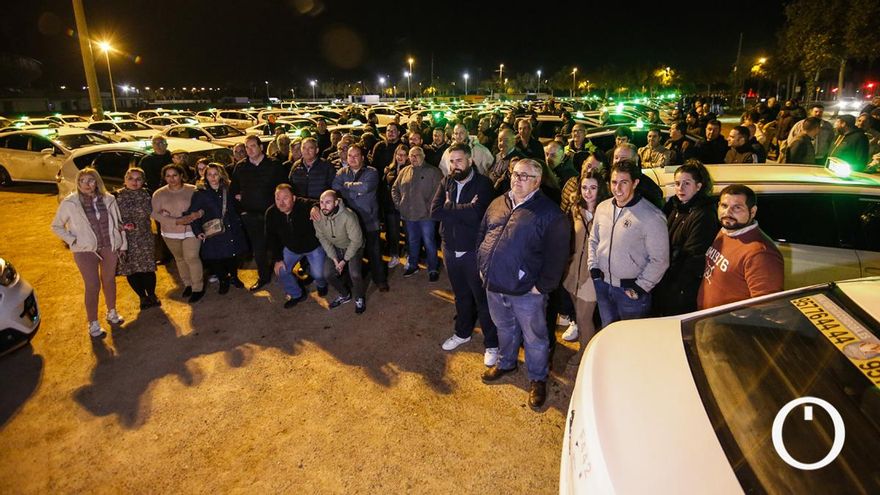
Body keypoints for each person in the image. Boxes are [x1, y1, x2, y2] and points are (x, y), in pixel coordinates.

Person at [478, 158, 570, 410]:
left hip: (527, 292)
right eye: (515, 174)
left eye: (524, 176)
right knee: (504, 328)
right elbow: (483, 234)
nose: (517, 179)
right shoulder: (498, 203)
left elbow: (558, 256)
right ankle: (507, 362)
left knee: (535, 338)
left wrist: (541, 287)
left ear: (537, 181)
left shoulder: (550, 214)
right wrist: (482, 266)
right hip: (494, 284)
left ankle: (538, 378)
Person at [431, 143, 499, 366]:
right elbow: (435, 211)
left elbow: (478, 215)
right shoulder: (446, 181)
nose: (455, 165)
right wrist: (464, 208)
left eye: (459, 160)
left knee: (482, 299)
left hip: (473, 252)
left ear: (470, 160)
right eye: (451, 161)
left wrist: (451, 209)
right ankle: (462, 333)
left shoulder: (484, 184)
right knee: (460, 295)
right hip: (450, 249)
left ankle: (491, 344)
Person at [588, 160, 669, 327]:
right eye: (614, 182)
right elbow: (594, 240)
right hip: (603, 286)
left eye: (624, 183)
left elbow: (660, 260)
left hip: (630, 293)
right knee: (608, 332)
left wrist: (640, 287)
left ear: (635, 183)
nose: (617, 188)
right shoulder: (602, 208)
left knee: (631, 340)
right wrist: (594, 269)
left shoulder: (652, 216)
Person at [51, 167, 127, 338]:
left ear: (97, 182)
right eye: (82, 181)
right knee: (92, 285)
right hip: (85, 250)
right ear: (77, 183)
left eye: (90, 180)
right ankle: (93, 323)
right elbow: (56, 226)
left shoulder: (109, 199)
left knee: (109, 281)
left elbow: (118, 224)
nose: (86, 184)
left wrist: (122, 245)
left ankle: (112, 312)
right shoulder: (70, 202)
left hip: (109, 246)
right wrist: (73, 240)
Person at [697, 184, 784, 309]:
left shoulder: (760, 253)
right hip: (705, 318)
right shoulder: (725, 231)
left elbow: (767, 307)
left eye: (737, 207)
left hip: (727, 326)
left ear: (752, 211)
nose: (728, 212)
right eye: (724, 206)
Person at [652, 161, 719, 316]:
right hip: (665, 281)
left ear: (699, 186)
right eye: (677, 183)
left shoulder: (703, 214)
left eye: (686, 183)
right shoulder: (674, 207)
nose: (680, 188)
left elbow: (693, 256)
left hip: (680, 288)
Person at [560, 169, 609, 367]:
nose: (588, 192)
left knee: (583, 318)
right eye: (585, 187)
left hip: (592, 275)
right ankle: (586, 349)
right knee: (578, 316)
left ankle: (585, 356)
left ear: (601, 189)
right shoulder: (575, 210)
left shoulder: (607, 211)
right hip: (573, 272)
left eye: (593, 188)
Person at [230, 134, 287, 291]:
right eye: (246, 147)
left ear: (261, 147)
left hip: (273, 214)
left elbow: (284, 187)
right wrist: (241, 205)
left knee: (278, 245)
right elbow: (234, 189)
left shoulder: (274, 164)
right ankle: (264, 277)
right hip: (251, 215)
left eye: (252, 146)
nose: (249, 150)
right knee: (258, 249)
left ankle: (284, 273)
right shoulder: (241, 167)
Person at [333, 143, 388, 291]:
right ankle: (355, 281)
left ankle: (380, 280)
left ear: (362, 158)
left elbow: (365, 187)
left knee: (374, 252)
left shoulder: (372, 172)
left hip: (369, 220)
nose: (352, 158)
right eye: (350, 155)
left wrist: (347, 186)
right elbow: (336, 189)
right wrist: (355, 190)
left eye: (356, 155)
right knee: (353, 254)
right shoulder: (341, 173)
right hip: (349, 224)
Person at [188, 163, 248, 295]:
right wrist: (197, 231)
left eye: (215, 174)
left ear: (221, 174)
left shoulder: (229, 188)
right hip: (213, 231)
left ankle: (233, 276)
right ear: (205, 176)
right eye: (209, 174)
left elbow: (238, 206)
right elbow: (193, 213)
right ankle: (223, 280)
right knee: (216, 257)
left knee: (233, 255)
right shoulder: (200, 193)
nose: (213, 177)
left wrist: (240, 200)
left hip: (231, 228)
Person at [265, 184, 328, 308]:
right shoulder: (271, 213)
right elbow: (271, 237)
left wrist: (315, 207)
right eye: (277, 198)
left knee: (319, 275)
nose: (281, 202)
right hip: (291, 248)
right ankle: (297, 294)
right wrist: (277, 259)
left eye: (285, 198)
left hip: (313, 247)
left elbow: (318, 203)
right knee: (281, 271)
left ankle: (321, 285)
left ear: (294, 198)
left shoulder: (303, 204)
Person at [151, 163, 205, 302]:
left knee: (191, 257)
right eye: (168, 176)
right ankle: (188, 284)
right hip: (170, 233)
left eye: (175, 175)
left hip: (191, 231)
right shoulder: (159, 193)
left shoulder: (193, 190)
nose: (172, 178)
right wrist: (176, 221)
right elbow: (155, 214)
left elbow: (204, 207)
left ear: (181, 176)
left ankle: (197, 287)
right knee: (180, 259)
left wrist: (197, 214)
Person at [392, 146, 443, 280]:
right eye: (411, 155)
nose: (413, 158)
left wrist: (428, 208)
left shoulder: (433, 172)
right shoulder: (404, 171)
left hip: (426, 216)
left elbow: (438, 193)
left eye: (417, 155)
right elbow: (394, 188)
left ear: (423, 155)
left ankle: (432, 268)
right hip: (408, 215)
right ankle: (413, 265)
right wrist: (399, 205)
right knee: (412, 241)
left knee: (429, 242)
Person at [314, 190, 366, 314]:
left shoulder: (349, 216)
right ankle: (345, 294)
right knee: (327, 274)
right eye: (321, 202)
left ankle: (359, 297)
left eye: (328, 202)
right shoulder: (318, 217)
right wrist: (334, 258)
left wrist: (344, 261)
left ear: (336, 202)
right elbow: (322, 238)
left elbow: (356, 241)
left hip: (354, 247)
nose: (324, 206)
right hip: (336, 247)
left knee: (355, 274)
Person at [114, 167, 160, 310]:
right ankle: (142, 297)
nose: (134, 182)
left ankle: (152, 294)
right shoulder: (116, 196)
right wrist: (121, 226)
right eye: (131, 179)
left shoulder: (147, 194)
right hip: (125, 240)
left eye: (138, 179)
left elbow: (155, 212)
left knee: (147, 268)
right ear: (125, 180)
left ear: (143, 181)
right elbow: (109, 218)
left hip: (145, 238)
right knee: (131, 269)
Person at [382, 143, 409, 269]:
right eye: (398, 154)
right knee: (393, 233)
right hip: (391, 207)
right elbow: (384, 187)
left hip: (406, 207)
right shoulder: (390, 169)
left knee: (408, 233)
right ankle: (395, 255)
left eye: (403, 155)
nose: (400, 157)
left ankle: (409, 255)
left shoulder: (410, 169)